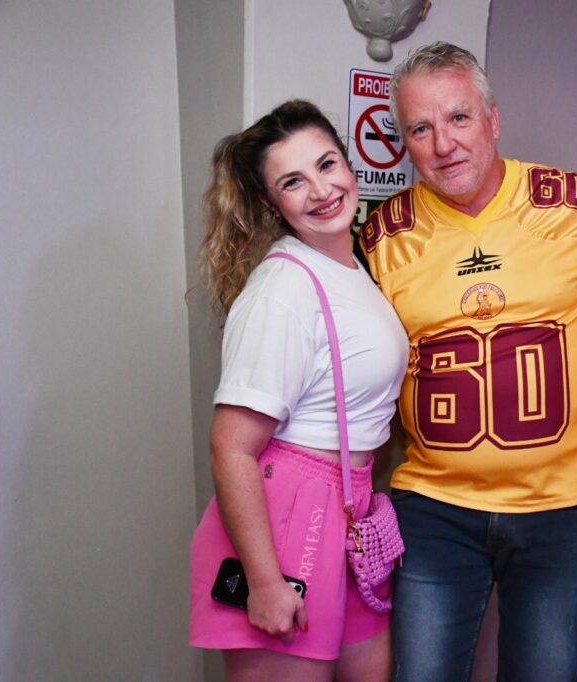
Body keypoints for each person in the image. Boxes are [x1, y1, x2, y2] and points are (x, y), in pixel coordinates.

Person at [358, 42, 577, 681]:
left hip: (557, 505)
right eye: (420, 129)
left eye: (459, 118)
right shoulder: (381, 238)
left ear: (493, 119)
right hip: (433, 507)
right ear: (405, 142)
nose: (444, 144)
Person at [188, 100, 408, 681]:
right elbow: (230, 446)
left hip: (352, 508)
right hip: (290, 515)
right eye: (292, 181)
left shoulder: (354, 270)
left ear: (348, 165)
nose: (321, 189)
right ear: (271, 204)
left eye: (327, 164)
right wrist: (264, 581)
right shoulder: (282, 288)